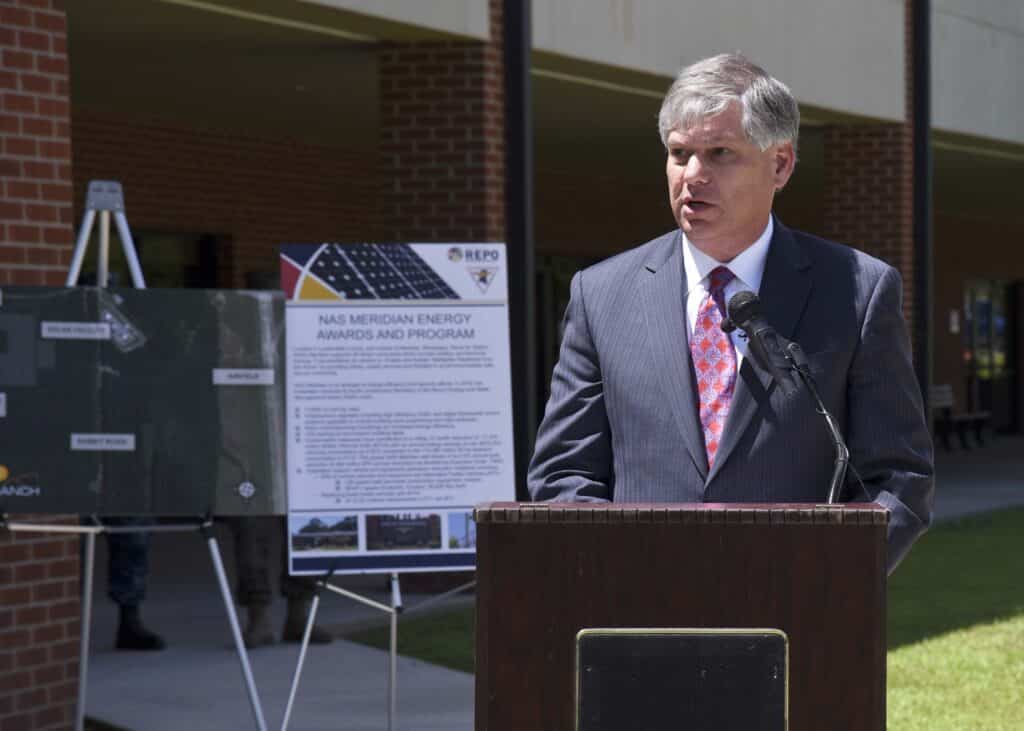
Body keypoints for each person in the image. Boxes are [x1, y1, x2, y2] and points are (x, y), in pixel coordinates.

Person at [527, 53, 934, 573]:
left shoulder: (857, 290)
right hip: (638, 616)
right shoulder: (601, 294)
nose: (693, 175)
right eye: (679, 153)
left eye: (720, 153)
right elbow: (564, 472)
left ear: (781, 163)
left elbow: (898, 479)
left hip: (797, 612)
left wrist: (831, 583)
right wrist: (614, 576)